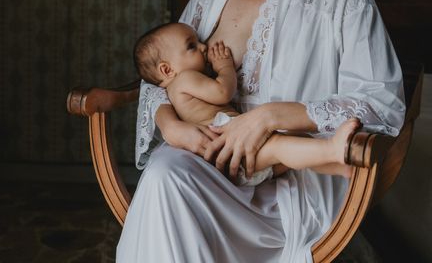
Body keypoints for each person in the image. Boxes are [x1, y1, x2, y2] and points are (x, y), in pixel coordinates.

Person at [116, 0, 405, 262]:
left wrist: (270, 116)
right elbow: (164, 74)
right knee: (164, 174)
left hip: (290, 181)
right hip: (210, 167)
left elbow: (381, 105)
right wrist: (171, 127)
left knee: (168, 183)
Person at [133, 21, 361, 186]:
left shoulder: (172, 90)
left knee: (289, 149)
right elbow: (223, 92)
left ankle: (340, 167)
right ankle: (333, 149)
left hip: (226, 156)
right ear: (167, 69)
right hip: (230, 147)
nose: (203, 47)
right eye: (191, 46)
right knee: (282, 146)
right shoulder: (184, 79)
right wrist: (224, 67)